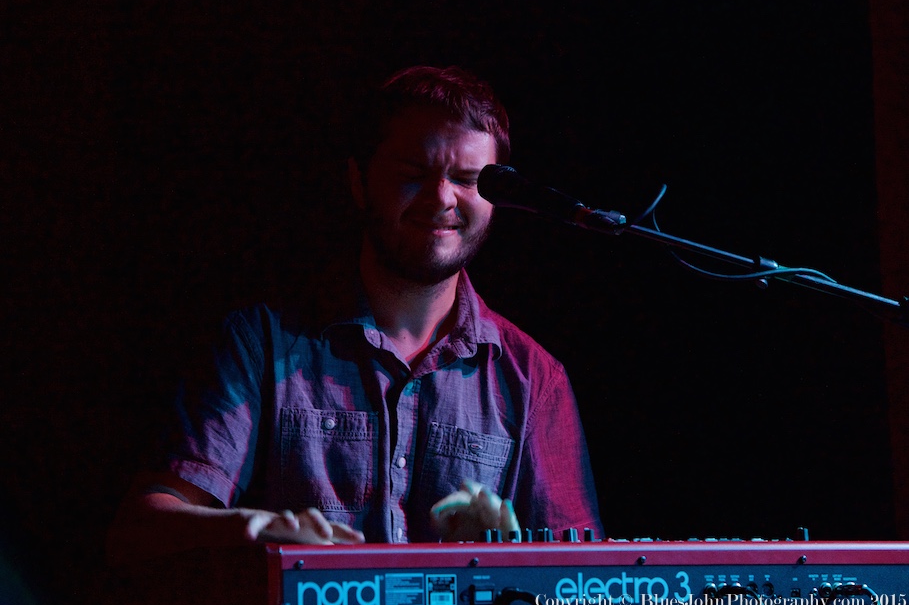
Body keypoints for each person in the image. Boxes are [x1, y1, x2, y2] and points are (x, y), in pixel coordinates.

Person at [106, 65, 603, 565]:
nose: (441, 197)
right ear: (359, 181)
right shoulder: (260, 343)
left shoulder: (535, 379)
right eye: (413, 172)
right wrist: (256, 530)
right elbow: (141, 530)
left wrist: (513, 559)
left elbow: (585, 588)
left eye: (467, 180)